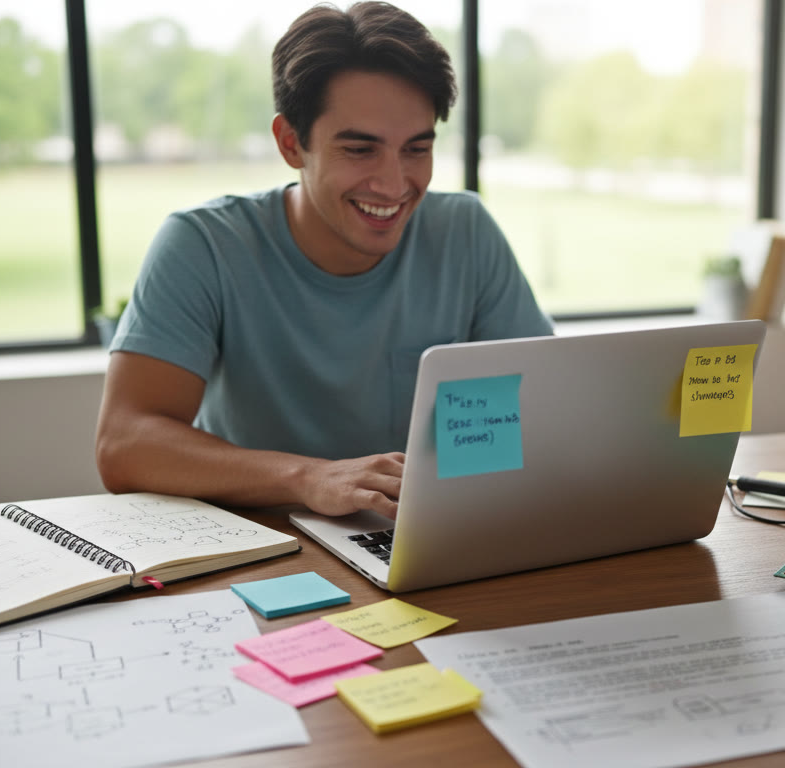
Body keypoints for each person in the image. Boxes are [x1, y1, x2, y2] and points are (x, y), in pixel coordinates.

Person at [94, 1, 552, 521]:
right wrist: (308, 477)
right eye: (360, 150)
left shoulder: (465, 232)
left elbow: (541, 412)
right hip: (266, 544)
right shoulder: (204, 245)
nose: (394, 185)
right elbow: (124, 446)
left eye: (416, 149)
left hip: (416, 536)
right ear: (291, 143)